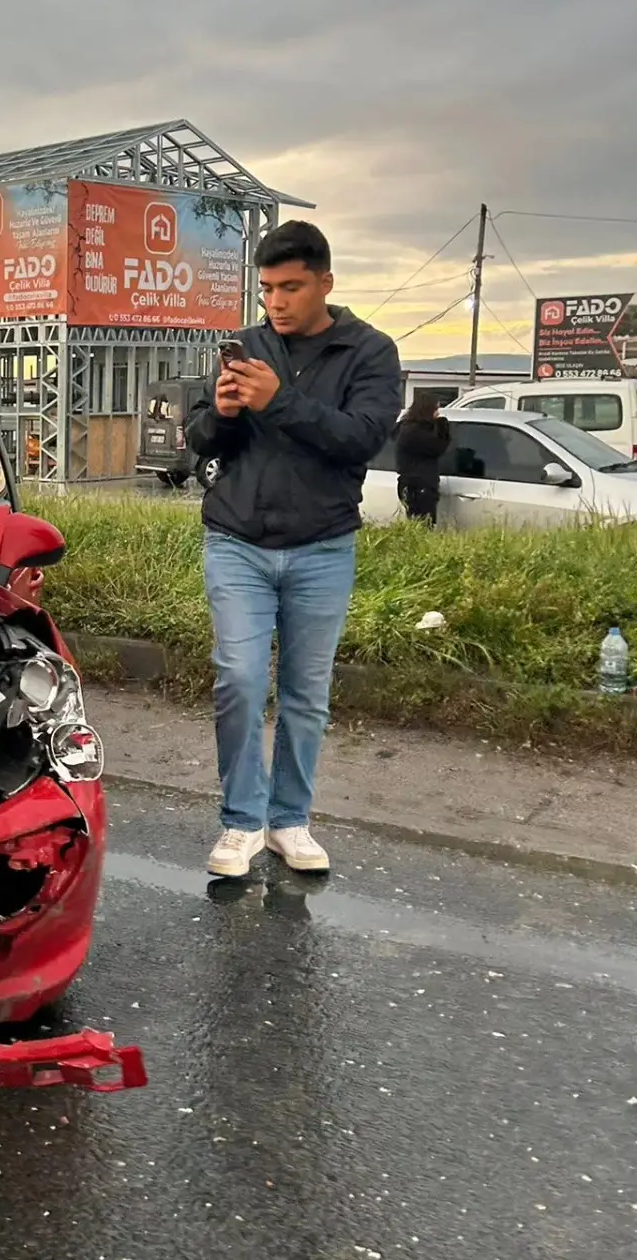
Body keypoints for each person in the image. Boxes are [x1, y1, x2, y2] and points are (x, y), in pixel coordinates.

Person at [186, 220, 402, 879]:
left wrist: (279, 401)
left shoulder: (370, 352)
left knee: (306, 692)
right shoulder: (246, 347)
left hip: (322, 546)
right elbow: (202, 440)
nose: (275, 303)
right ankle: (241, 823)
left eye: (290, 288)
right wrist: (220, 415)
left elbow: (359, 438)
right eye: (266, 290)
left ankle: (289, 821)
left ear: (325, 283)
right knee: (241, 680)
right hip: (237, 542)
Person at [394, 394, 450, 525]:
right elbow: (438, 447)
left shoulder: (408, 428)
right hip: (418, 487)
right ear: (427, 410)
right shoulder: (414, 432)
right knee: (423, 527)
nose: (438, 413)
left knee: (418, 526)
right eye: (435, 409)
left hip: (413, 485)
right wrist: (443, 429)